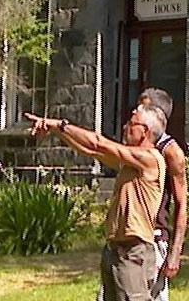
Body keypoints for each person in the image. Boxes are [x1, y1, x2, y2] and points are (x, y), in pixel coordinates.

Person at [27, 107, 167, 301]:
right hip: (116, 249)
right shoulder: (128, 162)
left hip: (134, 251)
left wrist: (61, 124)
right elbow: (90, 148)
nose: (125, 127)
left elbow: (99, 143)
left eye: (131, 124)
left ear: (145, 131)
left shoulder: (150, 158)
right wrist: (55, 130)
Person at [137, 87, 187, 299]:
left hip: (154, 238)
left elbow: (181, 203)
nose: (137, 111)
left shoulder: (170, 151)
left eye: (143, 106)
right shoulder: (135, 144)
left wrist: (174, 254)